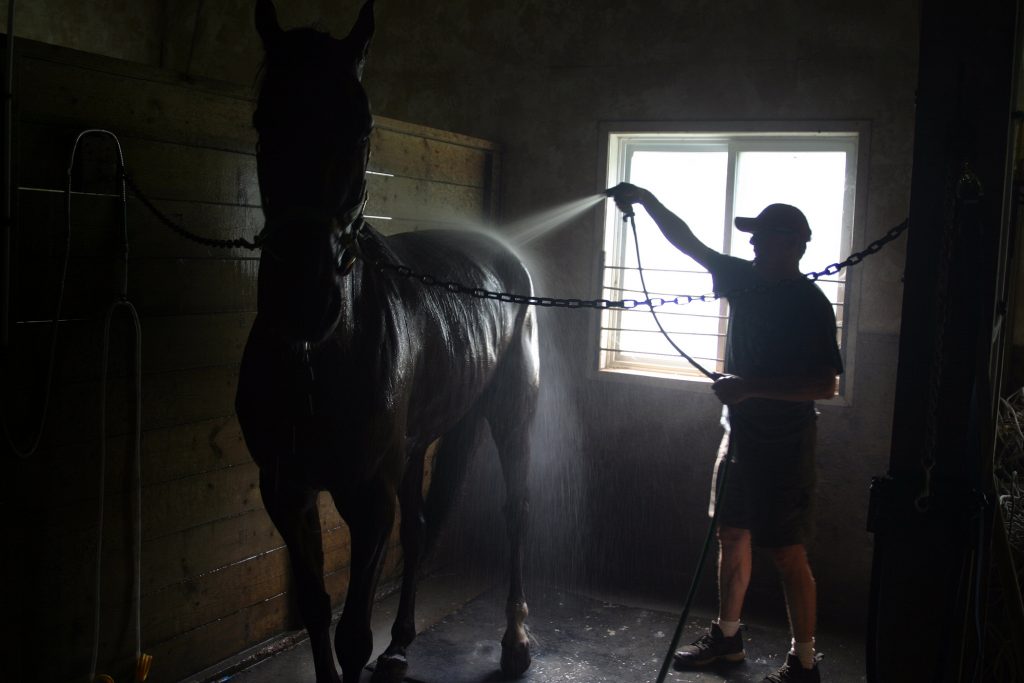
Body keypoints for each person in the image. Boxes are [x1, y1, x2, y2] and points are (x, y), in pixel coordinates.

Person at [609, 183, 843, 683]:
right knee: (732, 533)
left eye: (765, 238)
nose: (754, 245)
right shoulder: (741, 278)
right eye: (754, 236)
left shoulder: (811, 304)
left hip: (786, 445)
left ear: (795, 246)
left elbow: (826, 384)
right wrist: (648, 202)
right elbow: (688, 243)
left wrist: (750, 388)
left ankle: (804, 663)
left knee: (786, 551)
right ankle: (728, 639)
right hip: (738, 438)